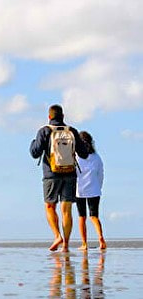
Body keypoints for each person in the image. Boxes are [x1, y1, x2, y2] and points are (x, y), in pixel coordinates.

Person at [29, 104, 90, 252]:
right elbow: (84, 154)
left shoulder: (44, 131)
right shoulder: (72, 131)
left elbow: (35, 153)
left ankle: (57, 235)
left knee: (50, 206)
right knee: (66, 210)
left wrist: (33, 143)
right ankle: (66, 245)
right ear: (63, 116)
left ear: (49, 117)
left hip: (51, 174)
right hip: (69, 173)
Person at [76, 131, 106, 251]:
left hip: (79, 190)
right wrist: (99, 186)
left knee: (82, 217)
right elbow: (101, 174)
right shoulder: (96, 157)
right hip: (94, 189)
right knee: (94, 217)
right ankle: (101, 239)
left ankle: (84, 243)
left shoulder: (76, 156)